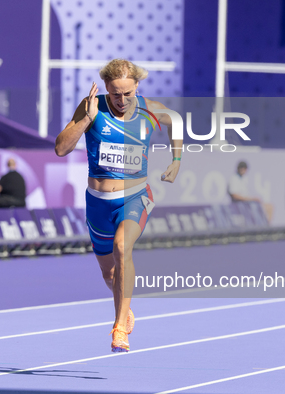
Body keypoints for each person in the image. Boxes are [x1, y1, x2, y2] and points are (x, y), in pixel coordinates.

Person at [55, 59, 182, 352]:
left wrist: (176, 160)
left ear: (136, 85)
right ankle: (126, 309)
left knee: (122, 247)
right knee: (109, 274)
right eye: (115, 93)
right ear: (107, 89)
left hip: (135, 196)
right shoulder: (92, 106)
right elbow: (61, 148)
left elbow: (175, 120)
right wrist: (86, 119)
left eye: (127, 93)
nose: (121, 100)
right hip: (98, 202)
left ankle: (118, 327)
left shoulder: (150, 109)